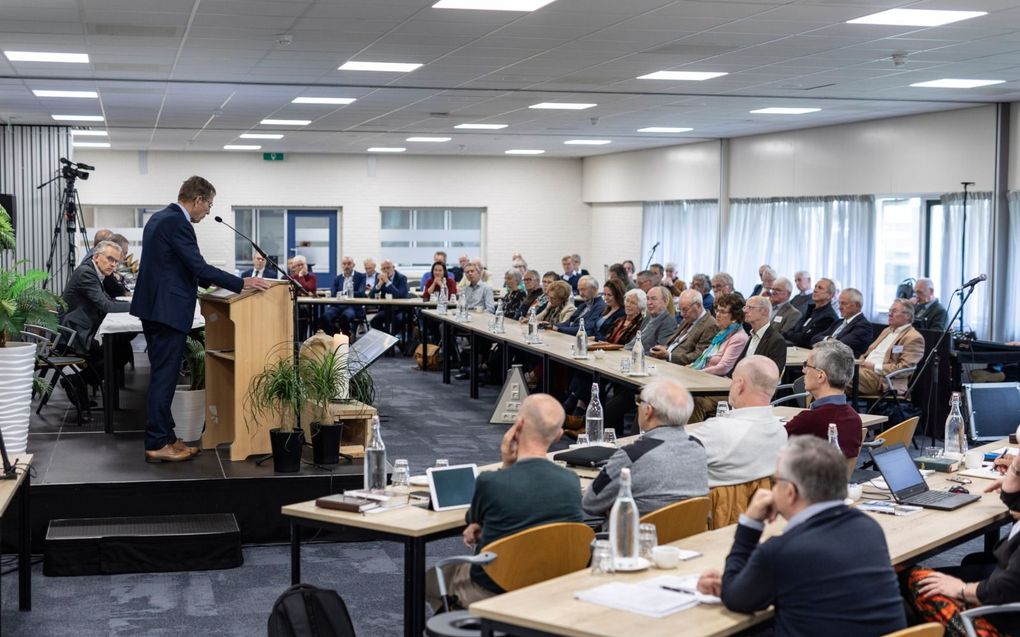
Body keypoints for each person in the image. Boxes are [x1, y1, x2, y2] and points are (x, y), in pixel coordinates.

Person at [697, 436, 906, 637]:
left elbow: (737, 599)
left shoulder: (782, 551)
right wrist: (740, 582)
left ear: (789, 492)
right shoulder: (868, 527)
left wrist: (750, 525)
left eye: (775, 481)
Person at [131, 176, 271, 463]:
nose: (208, 211)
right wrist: (241, 283)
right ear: (197, 200)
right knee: (164, 378)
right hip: (166, 311)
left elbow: (176, 267)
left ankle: (166, 436)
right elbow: (198, 267)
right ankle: (157, 442)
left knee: (164, 375)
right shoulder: (176, 222)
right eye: (208, 204)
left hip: (156, 308)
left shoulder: (160, 218)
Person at [424, 394, 582, 611]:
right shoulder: (571, 482)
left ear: (519, 425)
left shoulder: (491, 482)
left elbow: (473, 519)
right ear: (559, 435)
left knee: (430, 579)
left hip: (494, 587)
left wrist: (506, 465)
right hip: (550, 584)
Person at [905, 453, 1020, 635]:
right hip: (1007, 602)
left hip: (1002, 623)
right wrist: (1013, 495)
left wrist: (962, 589)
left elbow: (1008, 586)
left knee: (913, 579)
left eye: (1013, 471)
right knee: (973, 561)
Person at [582, 379, 708, 519]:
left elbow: (590, 502)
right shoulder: (699, 449)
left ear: (648, 410)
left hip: (633, 537)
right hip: (688, 536)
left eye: (639, 401)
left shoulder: (632, 455)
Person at [691, 356, 787, 487]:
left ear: (740, 384)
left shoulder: (719, 430)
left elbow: (670, 460)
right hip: (758, 505)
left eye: (733, 380)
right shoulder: (781, 433)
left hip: (711, 506)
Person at [60, 240, 132, 411]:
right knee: (120, 351)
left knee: (121, 347)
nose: (113, 264)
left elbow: (107, 300)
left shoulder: (95, 271)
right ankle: (76, 381)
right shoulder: (86, 273)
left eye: (116, 261)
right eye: (110, 259)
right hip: (73, 334)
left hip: (85, 328)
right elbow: (106, 306)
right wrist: (140, 306)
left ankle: (79, 380)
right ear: (96, 256)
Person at [785, 339, 863, 460]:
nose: (803, 370)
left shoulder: (809, 420)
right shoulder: (855, 419)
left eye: (807, 365)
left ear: (820, 376)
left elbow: (769, 446)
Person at [857, 298, 925, 396]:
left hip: (882, 379)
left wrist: (875, 367)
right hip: (863, 370)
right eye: (890, 310)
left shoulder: (914, 337)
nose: (889, 314)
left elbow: (904, 368)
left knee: (837, 378)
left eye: (894, 311)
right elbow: (869, 353)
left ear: (907, 316)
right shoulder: (887, 331)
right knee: (832, 373)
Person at [649, 289, 717, 366]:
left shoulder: (710, 325)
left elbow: (698, 356)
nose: (682, 314)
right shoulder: (688, 318)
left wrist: (669, 355)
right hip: (666, 361)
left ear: (698, 305)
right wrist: (664, 348)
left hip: (679, 366)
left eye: (685, 309)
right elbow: (676, 341)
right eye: (680, 309)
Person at [691, 293, 749, 376]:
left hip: (715, 382)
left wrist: (696, 372)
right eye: (717, 310)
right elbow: (704, 360)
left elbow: (724, 368)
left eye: (722, 312)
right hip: (705, 376)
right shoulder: (722, 334)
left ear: (735, 316)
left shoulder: (739, 338)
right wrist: (691, 367)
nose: (717, 315)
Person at [809, 287, 871, 357]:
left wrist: (827, 340)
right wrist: (829, 339)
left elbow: (840, 346)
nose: (839, 307)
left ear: (857, 305)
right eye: (839, 303)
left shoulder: (863, 326)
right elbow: (814, 339)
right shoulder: (839, 322)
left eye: (844, 303)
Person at [736, 295, 787, 374]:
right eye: (745, 307)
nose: (745, 311)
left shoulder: (777, 341)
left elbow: (772, 374)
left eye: (750, 307)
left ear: (764, 311)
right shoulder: (752, 336)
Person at [783, 278, 838, 347]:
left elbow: (807, 339)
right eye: (815, 287)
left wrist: (791, 335)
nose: (815, 290)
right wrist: (792, 334)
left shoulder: (829, 317)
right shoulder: (811, 310)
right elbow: (791, 330)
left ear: (829, 295)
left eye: (820, 288)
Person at [323, 256, 366, 336]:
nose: (346, 266)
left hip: (352, 306)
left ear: (353, 265)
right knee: (324, 318)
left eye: (349, 264)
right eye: (344, 264)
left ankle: (346, 340)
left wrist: (344, 293)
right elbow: (333, 294)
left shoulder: (361, 277)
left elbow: (361, 293)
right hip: (337, 306)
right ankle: (335, 336)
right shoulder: (337, 278)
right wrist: (347, 293)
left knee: (345, 317)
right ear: (342, 266)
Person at [624, 285, 675, 352]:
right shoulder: (648, 318)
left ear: (665, 301)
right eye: (648, 299)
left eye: (653, 299)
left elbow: (658, 352)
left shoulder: (668, 322)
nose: (649, 302)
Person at [368, 259, 409, 334]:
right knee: (374, 321)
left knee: (398, 321)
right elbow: (371, 295)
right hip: (386, 309)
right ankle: (386, 338)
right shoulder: (381, 277)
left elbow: (400, 296)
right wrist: (379, 284)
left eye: (388, 267)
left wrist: (387, 282)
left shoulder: (402, 278)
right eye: (384, 268)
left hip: (399, 310)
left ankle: (393, 340)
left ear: (393, 267)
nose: (386, 270)